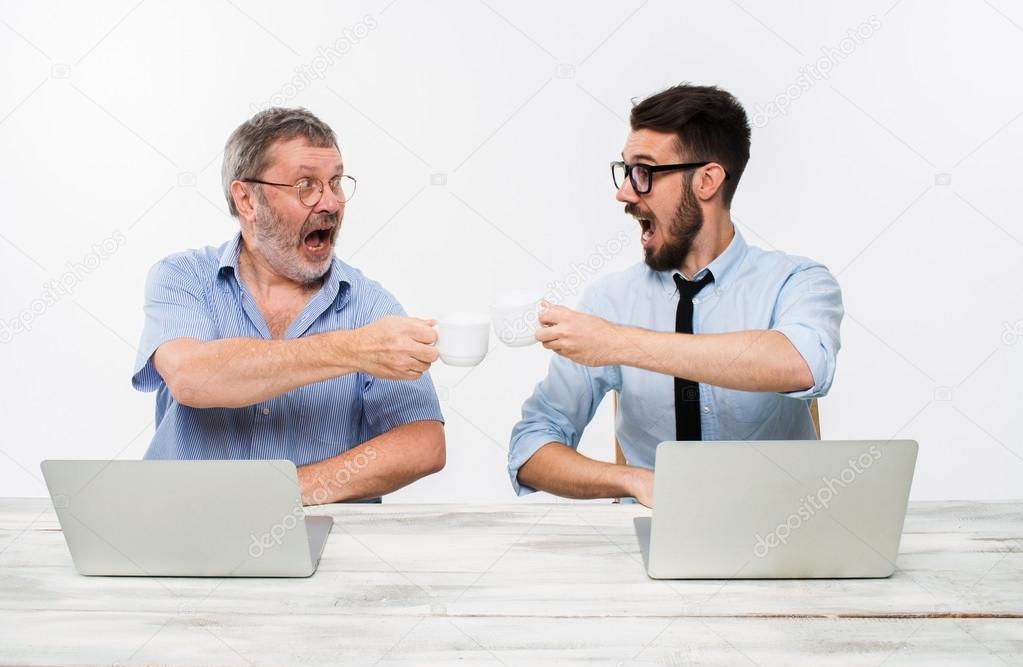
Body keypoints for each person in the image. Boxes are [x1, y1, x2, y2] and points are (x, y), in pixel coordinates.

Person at [508, 84, 843, 506]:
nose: (625, 193)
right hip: (654, 543)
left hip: (784, 539)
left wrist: (618, 343)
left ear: (707, 180)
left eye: (644, 172)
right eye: (625, 170)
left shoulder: (796, 281)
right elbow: (530, 448)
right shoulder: (610, 301)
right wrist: (632, 480)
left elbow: (803, 364)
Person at [132, 107, 444, 505]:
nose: (330, 202)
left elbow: (423, 444)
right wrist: (354, 350)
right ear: (246, 199)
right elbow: (192, 377)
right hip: (180, 527)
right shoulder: (183, 277)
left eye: (335, 182)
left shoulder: (371, 306)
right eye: (306, 186)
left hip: (320, 538)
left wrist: (283, 492)